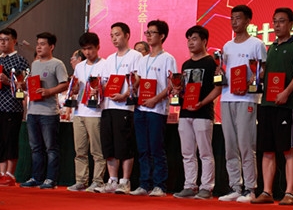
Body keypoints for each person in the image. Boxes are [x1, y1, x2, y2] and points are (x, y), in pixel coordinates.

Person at [251, 7, 293, 205]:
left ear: (291, 23)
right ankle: (267, 191)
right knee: (267, 150)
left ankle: (289, 192)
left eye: (281, 21)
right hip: (267, 104)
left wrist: (286, 93)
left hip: (286, 105)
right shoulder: (272, 48)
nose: (276, 25)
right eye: (274, 21)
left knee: (287, 149)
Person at [217, 5, 267, 203]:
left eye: (238, 18)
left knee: (246, 144)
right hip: (227, 97)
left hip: (247, 99)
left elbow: (262, 71)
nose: (234, 22)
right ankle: (235, 186)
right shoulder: (227, 46)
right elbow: (224, 70)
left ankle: (250, 188)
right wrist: (219, 73)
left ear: (248, 21)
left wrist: (248, 84)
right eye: (232, 18)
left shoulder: (256, 44)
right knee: (230, 145)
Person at [173, 25, 222, 199]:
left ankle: (206, 187)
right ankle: (189, 185)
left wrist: (202, 103)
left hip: (203, 113)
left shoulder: (212, 63)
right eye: (188, 39)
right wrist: (177, 90)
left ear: (204, 41)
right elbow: (183, 89)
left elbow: (218, 88)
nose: (190, 43)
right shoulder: (186, 64)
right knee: (187, 153)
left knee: (205, 152)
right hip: (185, 113)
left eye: (194, 39)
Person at [95, 22, 143, 194]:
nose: (114, 39)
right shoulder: (109, 59)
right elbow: (105, 81)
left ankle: (125, 181)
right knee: (109, 145)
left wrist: (125, 94)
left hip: (125, 108)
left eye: (117, 35)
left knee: (124, 145)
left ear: (127, 35)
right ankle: (113, 180)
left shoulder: (136, 56)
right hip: (108, 106)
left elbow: (137, 79)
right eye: (112, 36)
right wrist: (99, 89)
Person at [131, 20, 177, 197]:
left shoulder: (168, 59)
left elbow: (172, 84)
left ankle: (160, 185)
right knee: (143, 149)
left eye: (152, 32)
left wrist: (155, 99)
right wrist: (133, 85)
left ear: (162, 36)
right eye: (147, 32)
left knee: (156, 148)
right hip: (141, 109)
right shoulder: (143, 59)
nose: (148, 36)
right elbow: (139, 82)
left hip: (157, 110)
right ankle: (144, 184)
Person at [20, 32, 69, 189]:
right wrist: (23, 85)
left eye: (43, 44)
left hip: (49, 112)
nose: (39, 47)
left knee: (51, 148)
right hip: (32, 111)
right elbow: (33, 85)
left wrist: (49, 92)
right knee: (35, 148)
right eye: (38, 44)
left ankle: (51, 179)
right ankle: (36, 177)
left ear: (51, 46)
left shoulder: (57, 64)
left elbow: (64, 84)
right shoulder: (34, 64)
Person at [0, 28, 29, 187]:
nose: (2, 43)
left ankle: (10, 174)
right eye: (0, 40)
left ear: (14, 41)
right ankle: (2, 173)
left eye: (6, 39)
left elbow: (25, 85)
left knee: (10, 140)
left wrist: (8, 81)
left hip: (12, 107)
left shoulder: (21, 61)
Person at [66, 32, 108, 192]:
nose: (87, 52)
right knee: (80, 150)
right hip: (79, 111)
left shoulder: (105, 64)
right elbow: (76, 87)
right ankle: (81, 180)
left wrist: (99, 90)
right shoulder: (79, 66)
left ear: (98, 47)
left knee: (97, 151)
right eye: (84, 49)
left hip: (96, 112)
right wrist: (75, 89)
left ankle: (98, 181)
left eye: (90, 48)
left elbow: (108, 87)